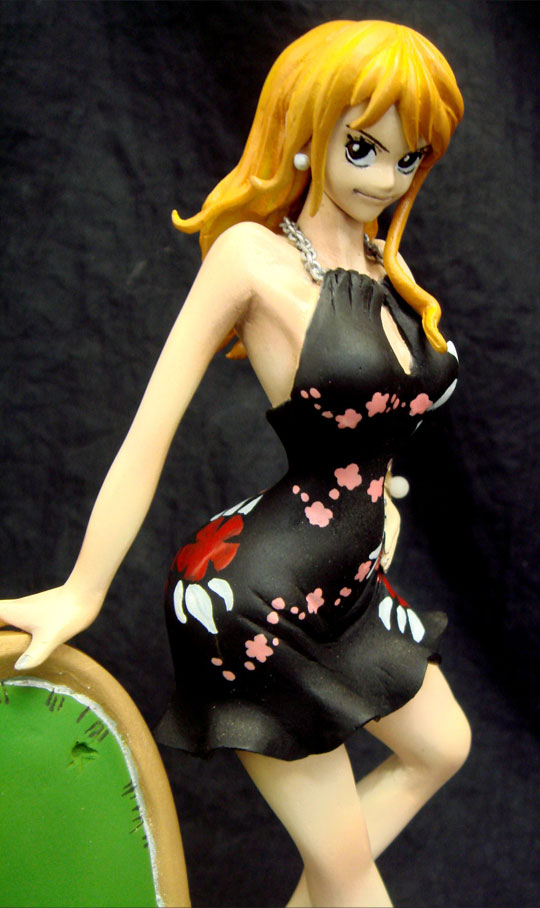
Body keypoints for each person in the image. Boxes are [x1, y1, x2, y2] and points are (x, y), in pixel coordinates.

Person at [0, 20, 471, 907]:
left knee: (442, 747)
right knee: (349, 874)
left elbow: (372, 426)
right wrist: (82, 590)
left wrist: (383, 503)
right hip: (253, 597)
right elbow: (151, 430)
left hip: (348, 581)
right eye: (363, 149)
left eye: (408, 159)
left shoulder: (380, 263)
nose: (384, 179)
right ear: (309, 130)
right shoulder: (251, 259)